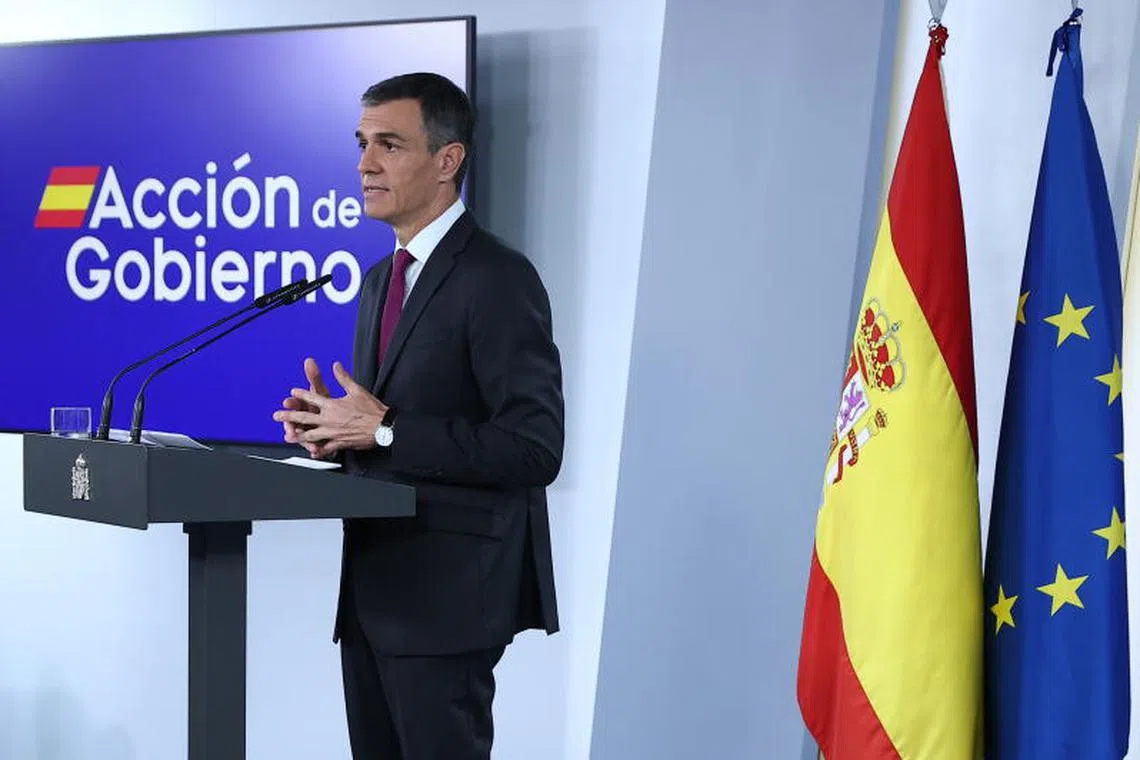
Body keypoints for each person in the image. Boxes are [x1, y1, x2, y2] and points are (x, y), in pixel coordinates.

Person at [272, 72, 564, 759]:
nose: (364, 164)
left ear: (447, 160)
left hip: (450, 601)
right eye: (363, 143)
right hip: (373, 595)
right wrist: (333, 434)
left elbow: (534, 447)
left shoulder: (497, 278)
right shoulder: (382, 278)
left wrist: (382, 428)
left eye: (389, 145)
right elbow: (383, 429)